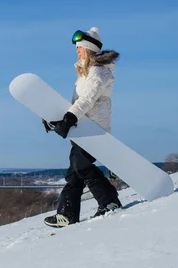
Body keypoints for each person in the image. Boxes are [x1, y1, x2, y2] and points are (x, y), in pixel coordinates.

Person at [42, 27, 122, 228]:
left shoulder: (99, 72)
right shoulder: (84, 74)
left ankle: (109, 201)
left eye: (80, 48)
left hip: (94, 129)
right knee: (74, 172)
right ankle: (67, 214)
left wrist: (69, 119)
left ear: (88, 49)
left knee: (81, 167)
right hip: (82, 128)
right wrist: (56, 119)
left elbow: (87, 100)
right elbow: (75, 103)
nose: (77, 51)